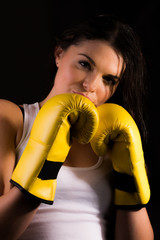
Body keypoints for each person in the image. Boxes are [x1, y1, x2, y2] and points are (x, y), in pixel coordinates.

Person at [0, 14, 154, 240]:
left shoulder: (114, 142)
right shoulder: (12, 118)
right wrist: (43, 167)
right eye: (85, 64)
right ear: (59, 55)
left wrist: (130, 185)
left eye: (109, 79)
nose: (90, 85)